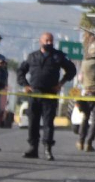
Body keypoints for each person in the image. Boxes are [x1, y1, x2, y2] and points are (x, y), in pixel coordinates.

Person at [16, 32, 76, 160]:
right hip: (34, 94)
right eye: (47, 40)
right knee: (33, 122)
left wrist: (61, 83)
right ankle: (33, 148)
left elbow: (71, 70)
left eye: (51, 41)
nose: (49, 43)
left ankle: (48, 149)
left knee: (48, 123)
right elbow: (21, 71)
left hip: (50, 94)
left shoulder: (58, 56)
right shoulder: (32, 57)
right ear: (40, 41)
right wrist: (25, 85)